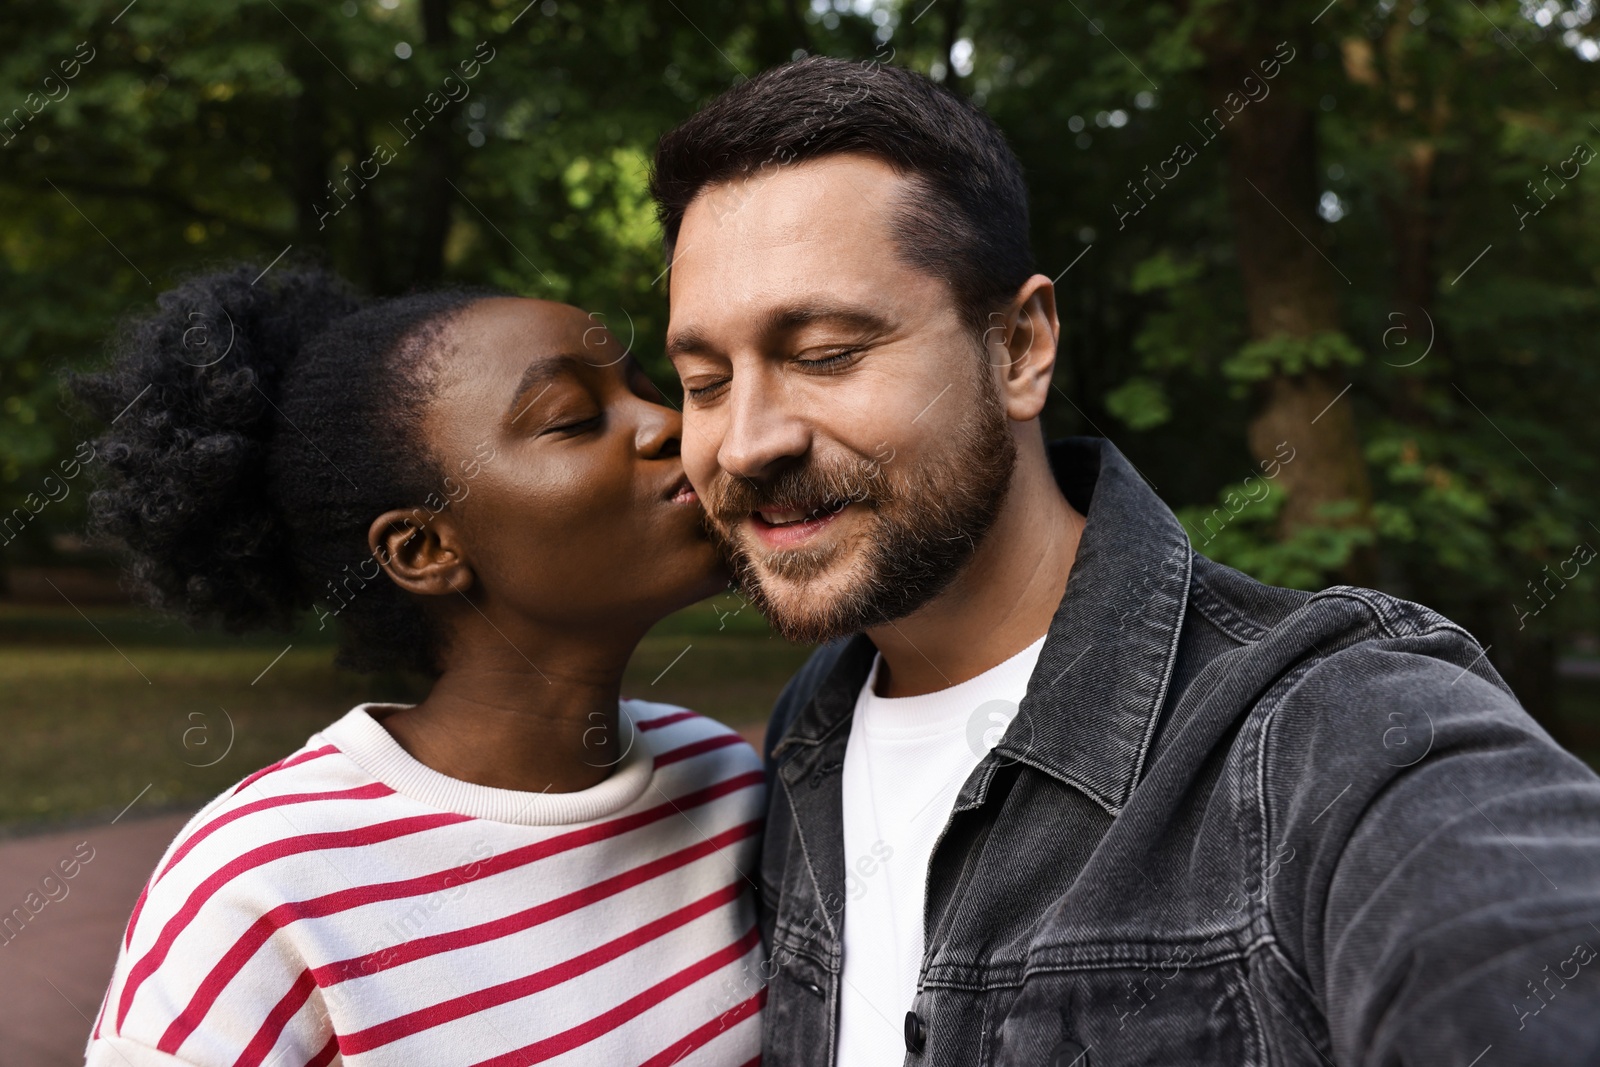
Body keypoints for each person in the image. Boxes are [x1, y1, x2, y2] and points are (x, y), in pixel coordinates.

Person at [650, 56, 1600, 1066]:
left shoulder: (1338, 728)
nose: (744, 440)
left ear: (1018, 349)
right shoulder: (808, 730)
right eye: (703, 380)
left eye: (827, 352)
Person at [73, 265, 765, 1066]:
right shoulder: (257, 888)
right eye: (574, 419)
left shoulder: (721, 777)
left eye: (650, 386)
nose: (668, 422)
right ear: (422, 549)